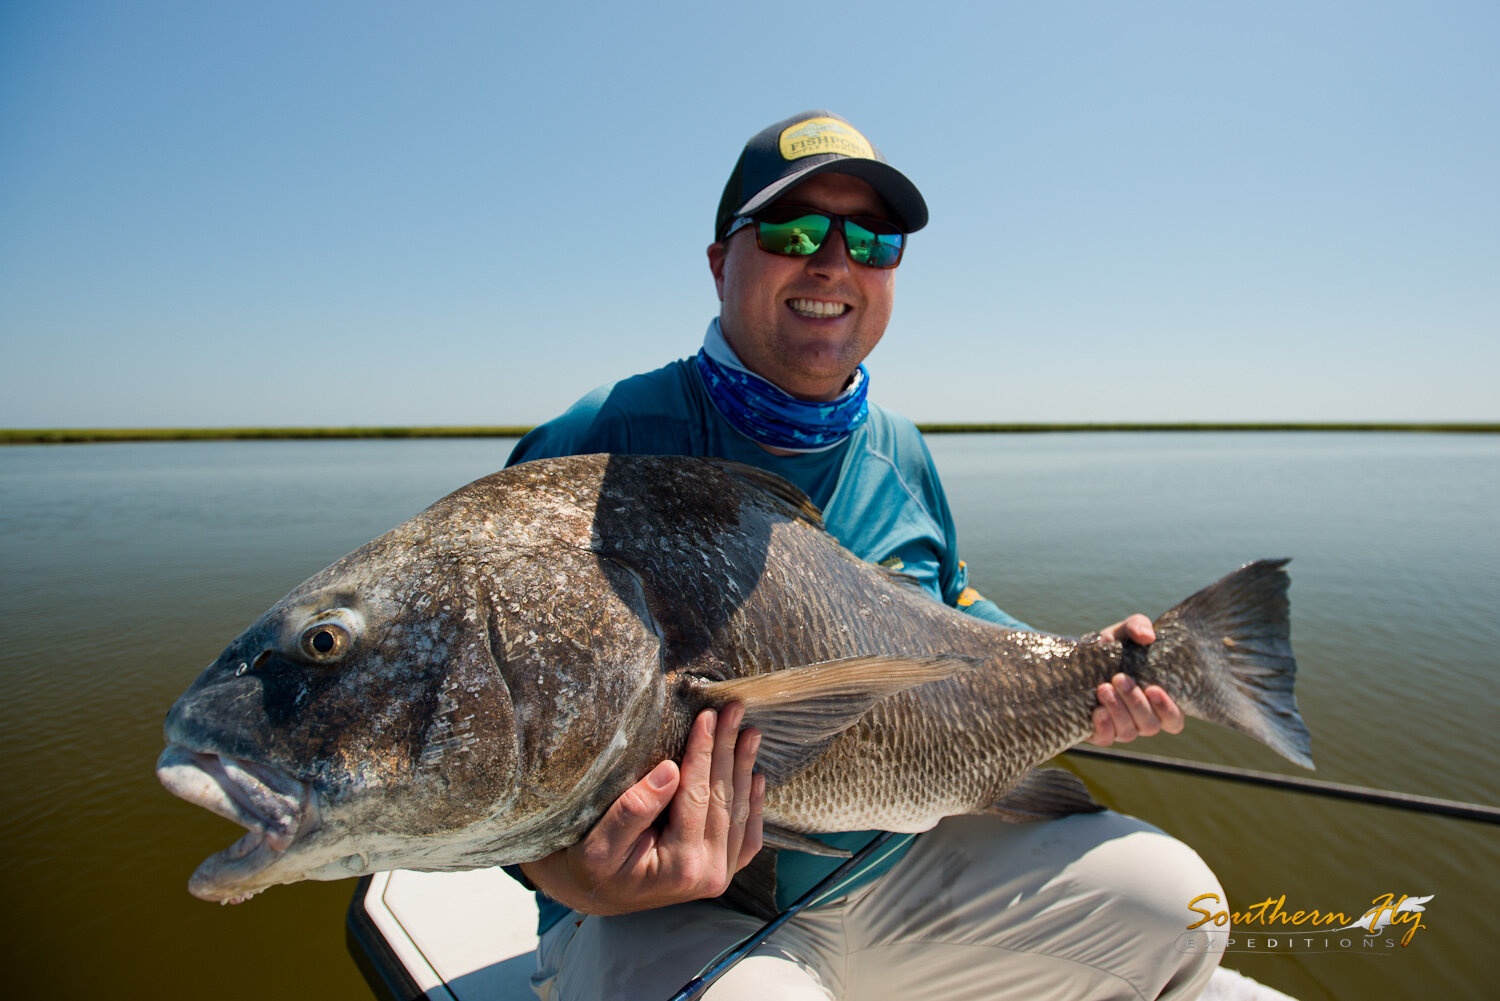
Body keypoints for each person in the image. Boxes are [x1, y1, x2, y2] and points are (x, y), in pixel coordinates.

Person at [505, 110, 1221, 1000]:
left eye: (871, 238)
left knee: (1181, 904)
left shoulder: (903, 450)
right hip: (661, 913)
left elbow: (947, 608)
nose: (833, 260)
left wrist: (1085, 664)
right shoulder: (598, 442)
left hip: (892, 873)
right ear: (721, 261)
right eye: (792, 228)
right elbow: (495, 726)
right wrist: (567, 878)